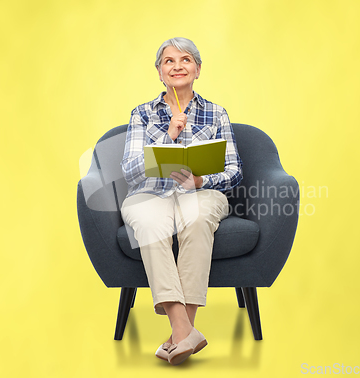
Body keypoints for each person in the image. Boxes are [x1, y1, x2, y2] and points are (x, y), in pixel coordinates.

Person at [120, 37, 243, 365]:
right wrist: (168, 136)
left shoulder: (217, 113)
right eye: (169, 61)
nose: (177, 66)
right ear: (160, 72)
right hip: (150, 193)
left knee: (198, 216)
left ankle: (179, 335)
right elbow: (131, 172)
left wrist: (202, 180)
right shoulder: (142, 114)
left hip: (202, 193)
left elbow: (234, 171)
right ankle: (185, 330)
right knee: (149, 221)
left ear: (198, 69)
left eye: (185, 59)